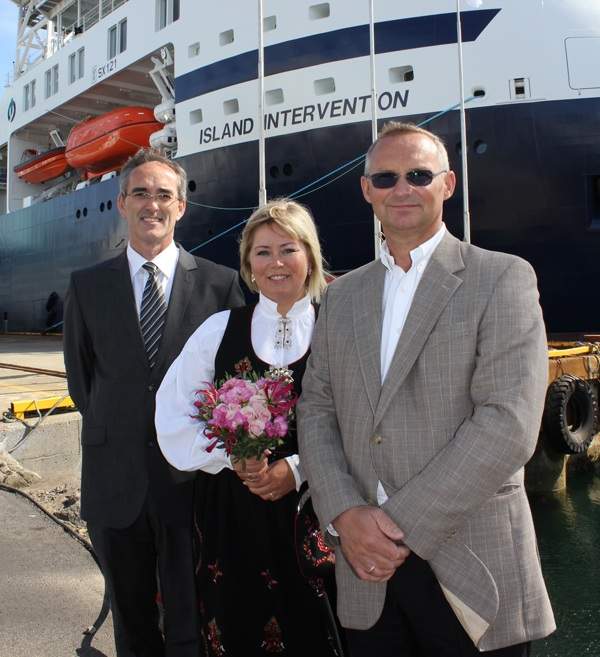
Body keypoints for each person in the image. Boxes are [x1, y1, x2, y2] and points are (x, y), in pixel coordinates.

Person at [297, 121, 556, 657]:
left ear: (448, 184)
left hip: (471, 568)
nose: (402, 189)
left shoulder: (502, 278)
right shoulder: (341, 299)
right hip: (366, 579)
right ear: (366, 190)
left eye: (419, 175)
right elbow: (317, 411)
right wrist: (344, 513)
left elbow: (508, 424)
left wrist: (390, 528)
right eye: (386, 178)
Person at [63, 148, 244, 657]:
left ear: (181, 206)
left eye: (164, 194)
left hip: (191, 485)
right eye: (140, 193)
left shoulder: (220, 284)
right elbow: (82, 382)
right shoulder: (87, 286)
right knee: (132, 622)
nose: (152, 204)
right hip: (114, 480)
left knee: (193, 620)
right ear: (121, 203)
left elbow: (233, 383)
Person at [155, 199, 339, 657]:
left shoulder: (338, 327)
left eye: (288, 249)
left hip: (318, 508)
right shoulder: (219, 329)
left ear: (310, 257)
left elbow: (362, 423)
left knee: (318, 629)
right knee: (234, 624)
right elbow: (172, 413)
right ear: (248, 266)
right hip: (231, 513)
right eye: (263, 252)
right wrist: (232, 456)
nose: (276, 262)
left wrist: (296, 469)